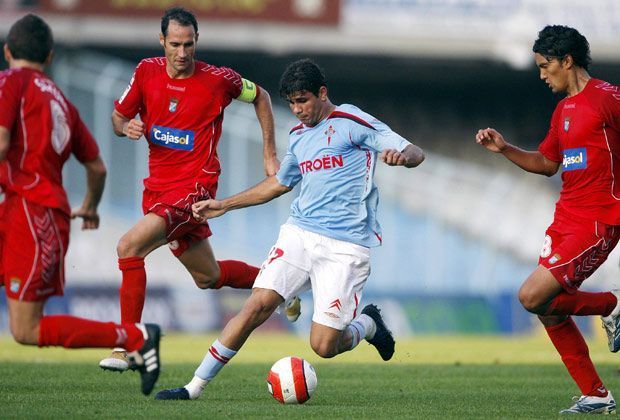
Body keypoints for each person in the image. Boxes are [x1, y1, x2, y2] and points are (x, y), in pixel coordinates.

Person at [154, 58, 425, 400]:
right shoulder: (298, 136)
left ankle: (368, 324)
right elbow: (279, 184)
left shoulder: (352, 122)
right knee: (256, 306)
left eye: (303, 100)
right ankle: (193, 387)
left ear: (322, 93)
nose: (297, 110)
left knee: (324, 346)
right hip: (300, 233)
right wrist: (223, 205)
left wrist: (403, 158)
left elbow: (413, 151)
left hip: (345, 247)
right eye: (292, 103)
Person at [99, 6, 302, 371]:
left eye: (188, 44)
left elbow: (262, 97)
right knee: (208, 277)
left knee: (129, 247)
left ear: (196, 42)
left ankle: (129, 346)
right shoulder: (146, 72)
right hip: (157, 191)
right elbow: (117, 116)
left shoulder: (218, 80)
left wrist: (269, 153)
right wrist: (124, 126)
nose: (182, 53)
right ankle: (283, 281)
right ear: (162, 41)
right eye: (175, 44)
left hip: (194, 190)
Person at [0, 14, 161, 395]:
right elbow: (98, 167)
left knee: (26, 329)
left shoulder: (10, 83)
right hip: (33, 211)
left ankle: (135, 336)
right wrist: (89, 206)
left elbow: (2, 144)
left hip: (29, 210)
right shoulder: (61, 101)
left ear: (7, 51)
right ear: (50, 56)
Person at [476, 25, 620, 414]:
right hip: (565, 218)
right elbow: (546, 164)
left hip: (599, 218)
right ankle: (596, 394)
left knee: (531, 296)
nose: (541, 75)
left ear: (566, 61)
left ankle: (612, 305)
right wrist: (505, 148)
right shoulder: (563, 111)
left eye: (545, 66)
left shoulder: (607, 98)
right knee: (547, 307)